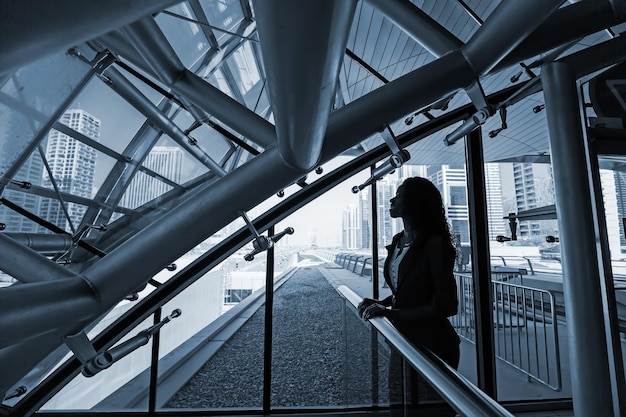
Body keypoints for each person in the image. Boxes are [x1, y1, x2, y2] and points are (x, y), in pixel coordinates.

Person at [357, 176, 460, 412]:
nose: (392, 199)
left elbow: (447, 306)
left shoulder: (436, 244)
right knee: (399, 406)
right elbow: (405, 292)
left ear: (415, 201)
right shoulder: (398, 241)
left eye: (400, 195)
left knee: (428, 412)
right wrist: (382, 303)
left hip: (432, 346)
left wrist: (392, 314)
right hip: (404, 342)